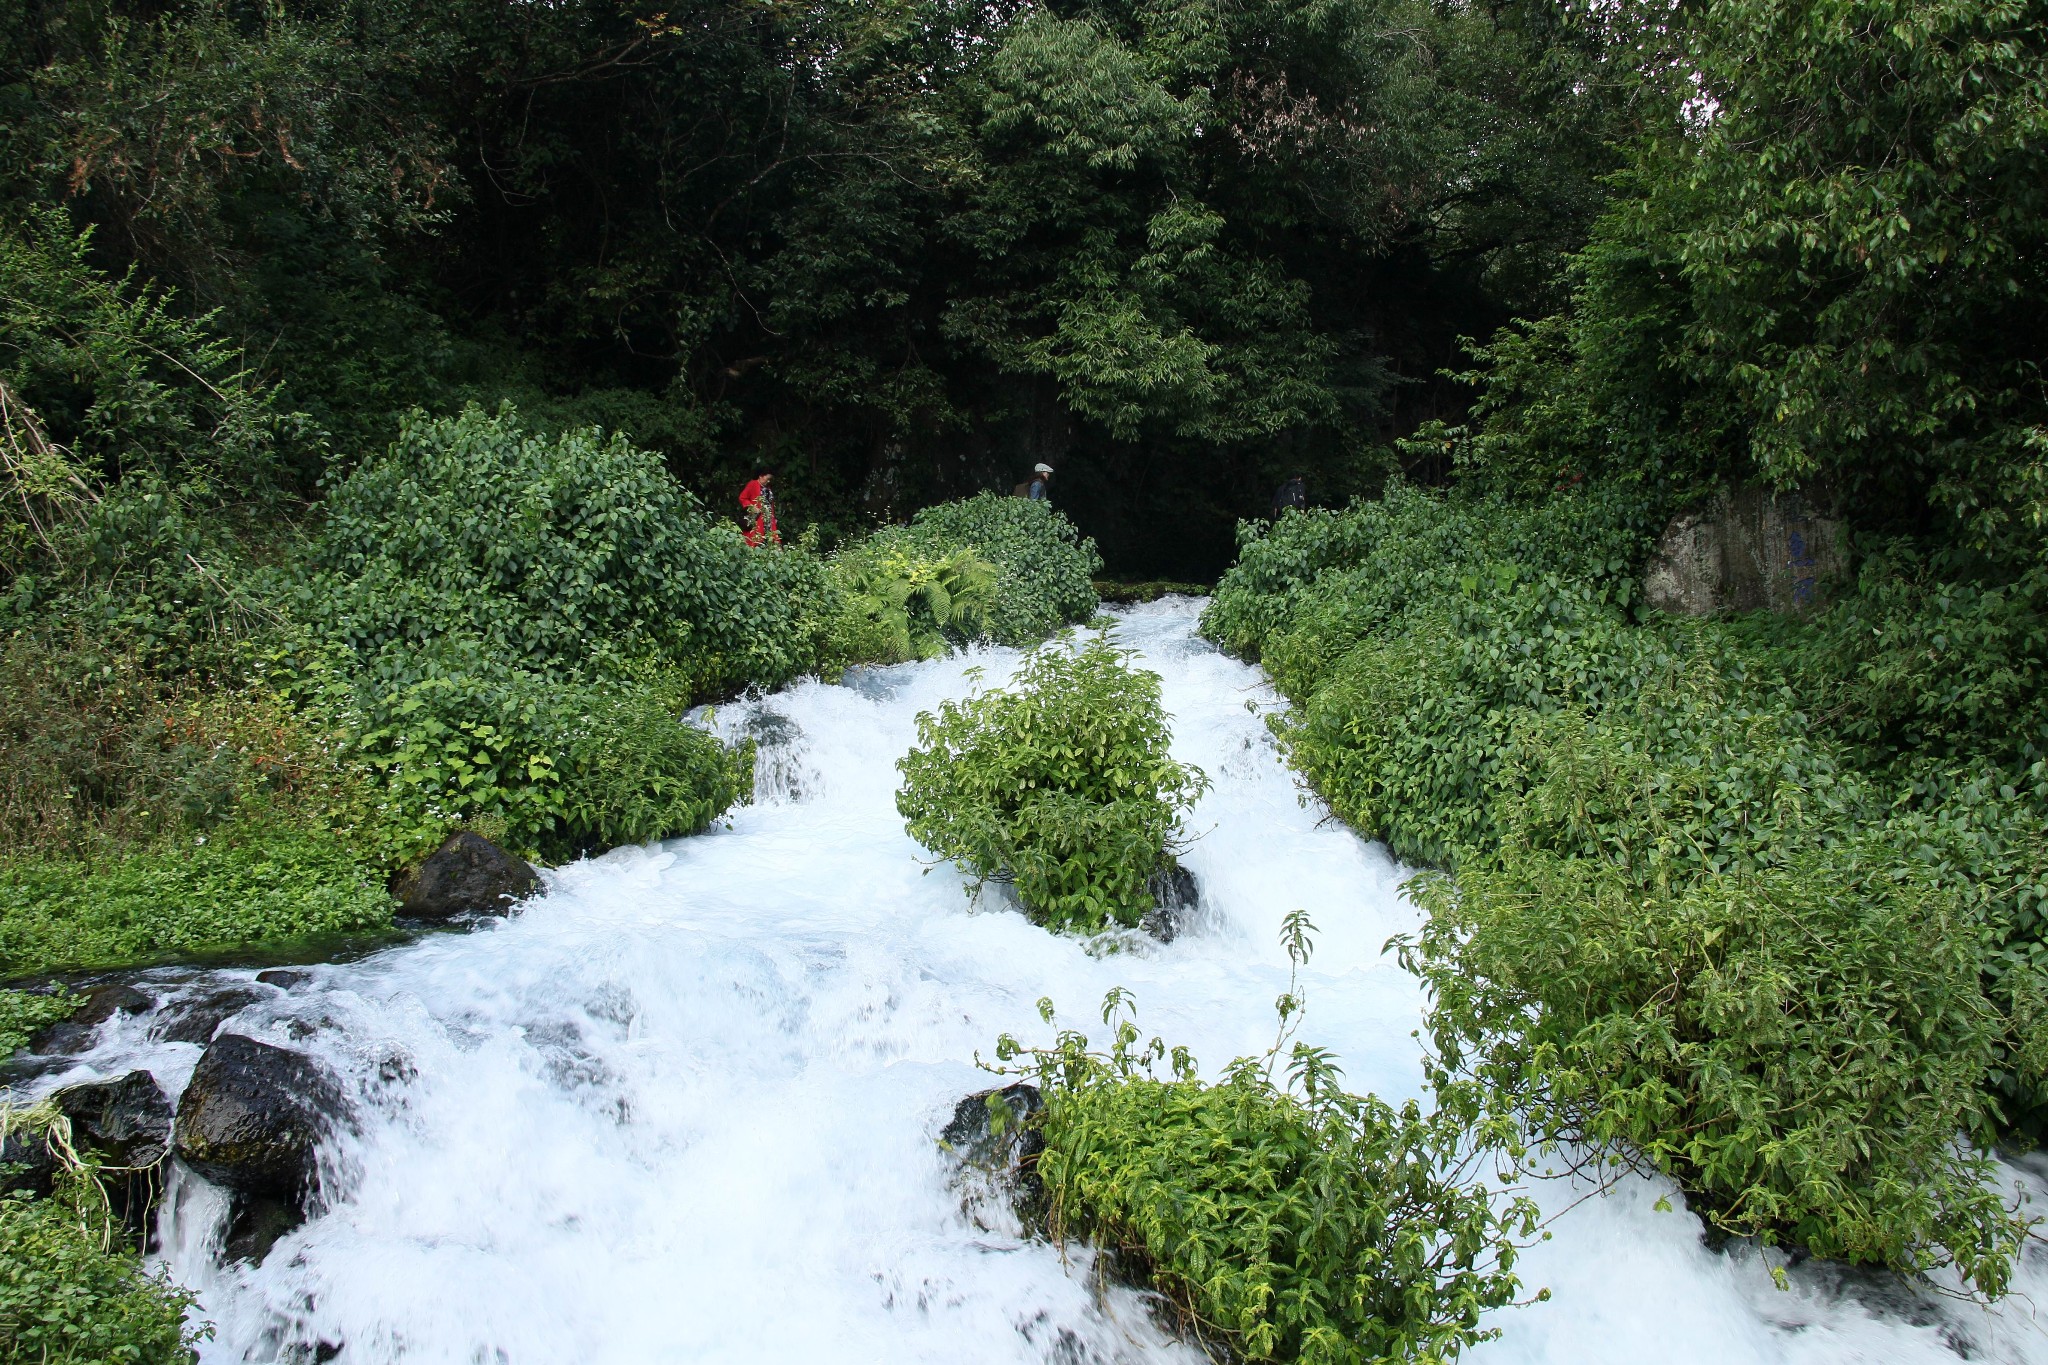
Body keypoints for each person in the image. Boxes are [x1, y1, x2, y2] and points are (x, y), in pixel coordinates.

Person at [739, 465, 779, 546]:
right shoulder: (753, 484)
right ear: (760, 476)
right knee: (756, 540)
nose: (768, 481)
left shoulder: (768, 488)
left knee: (771, 541)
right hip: (757, 518)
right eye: (767, 479)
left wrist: (773, 518)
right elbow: (742, 497)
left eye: (770, 480)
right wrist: (751, 507)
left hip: (768, 519)